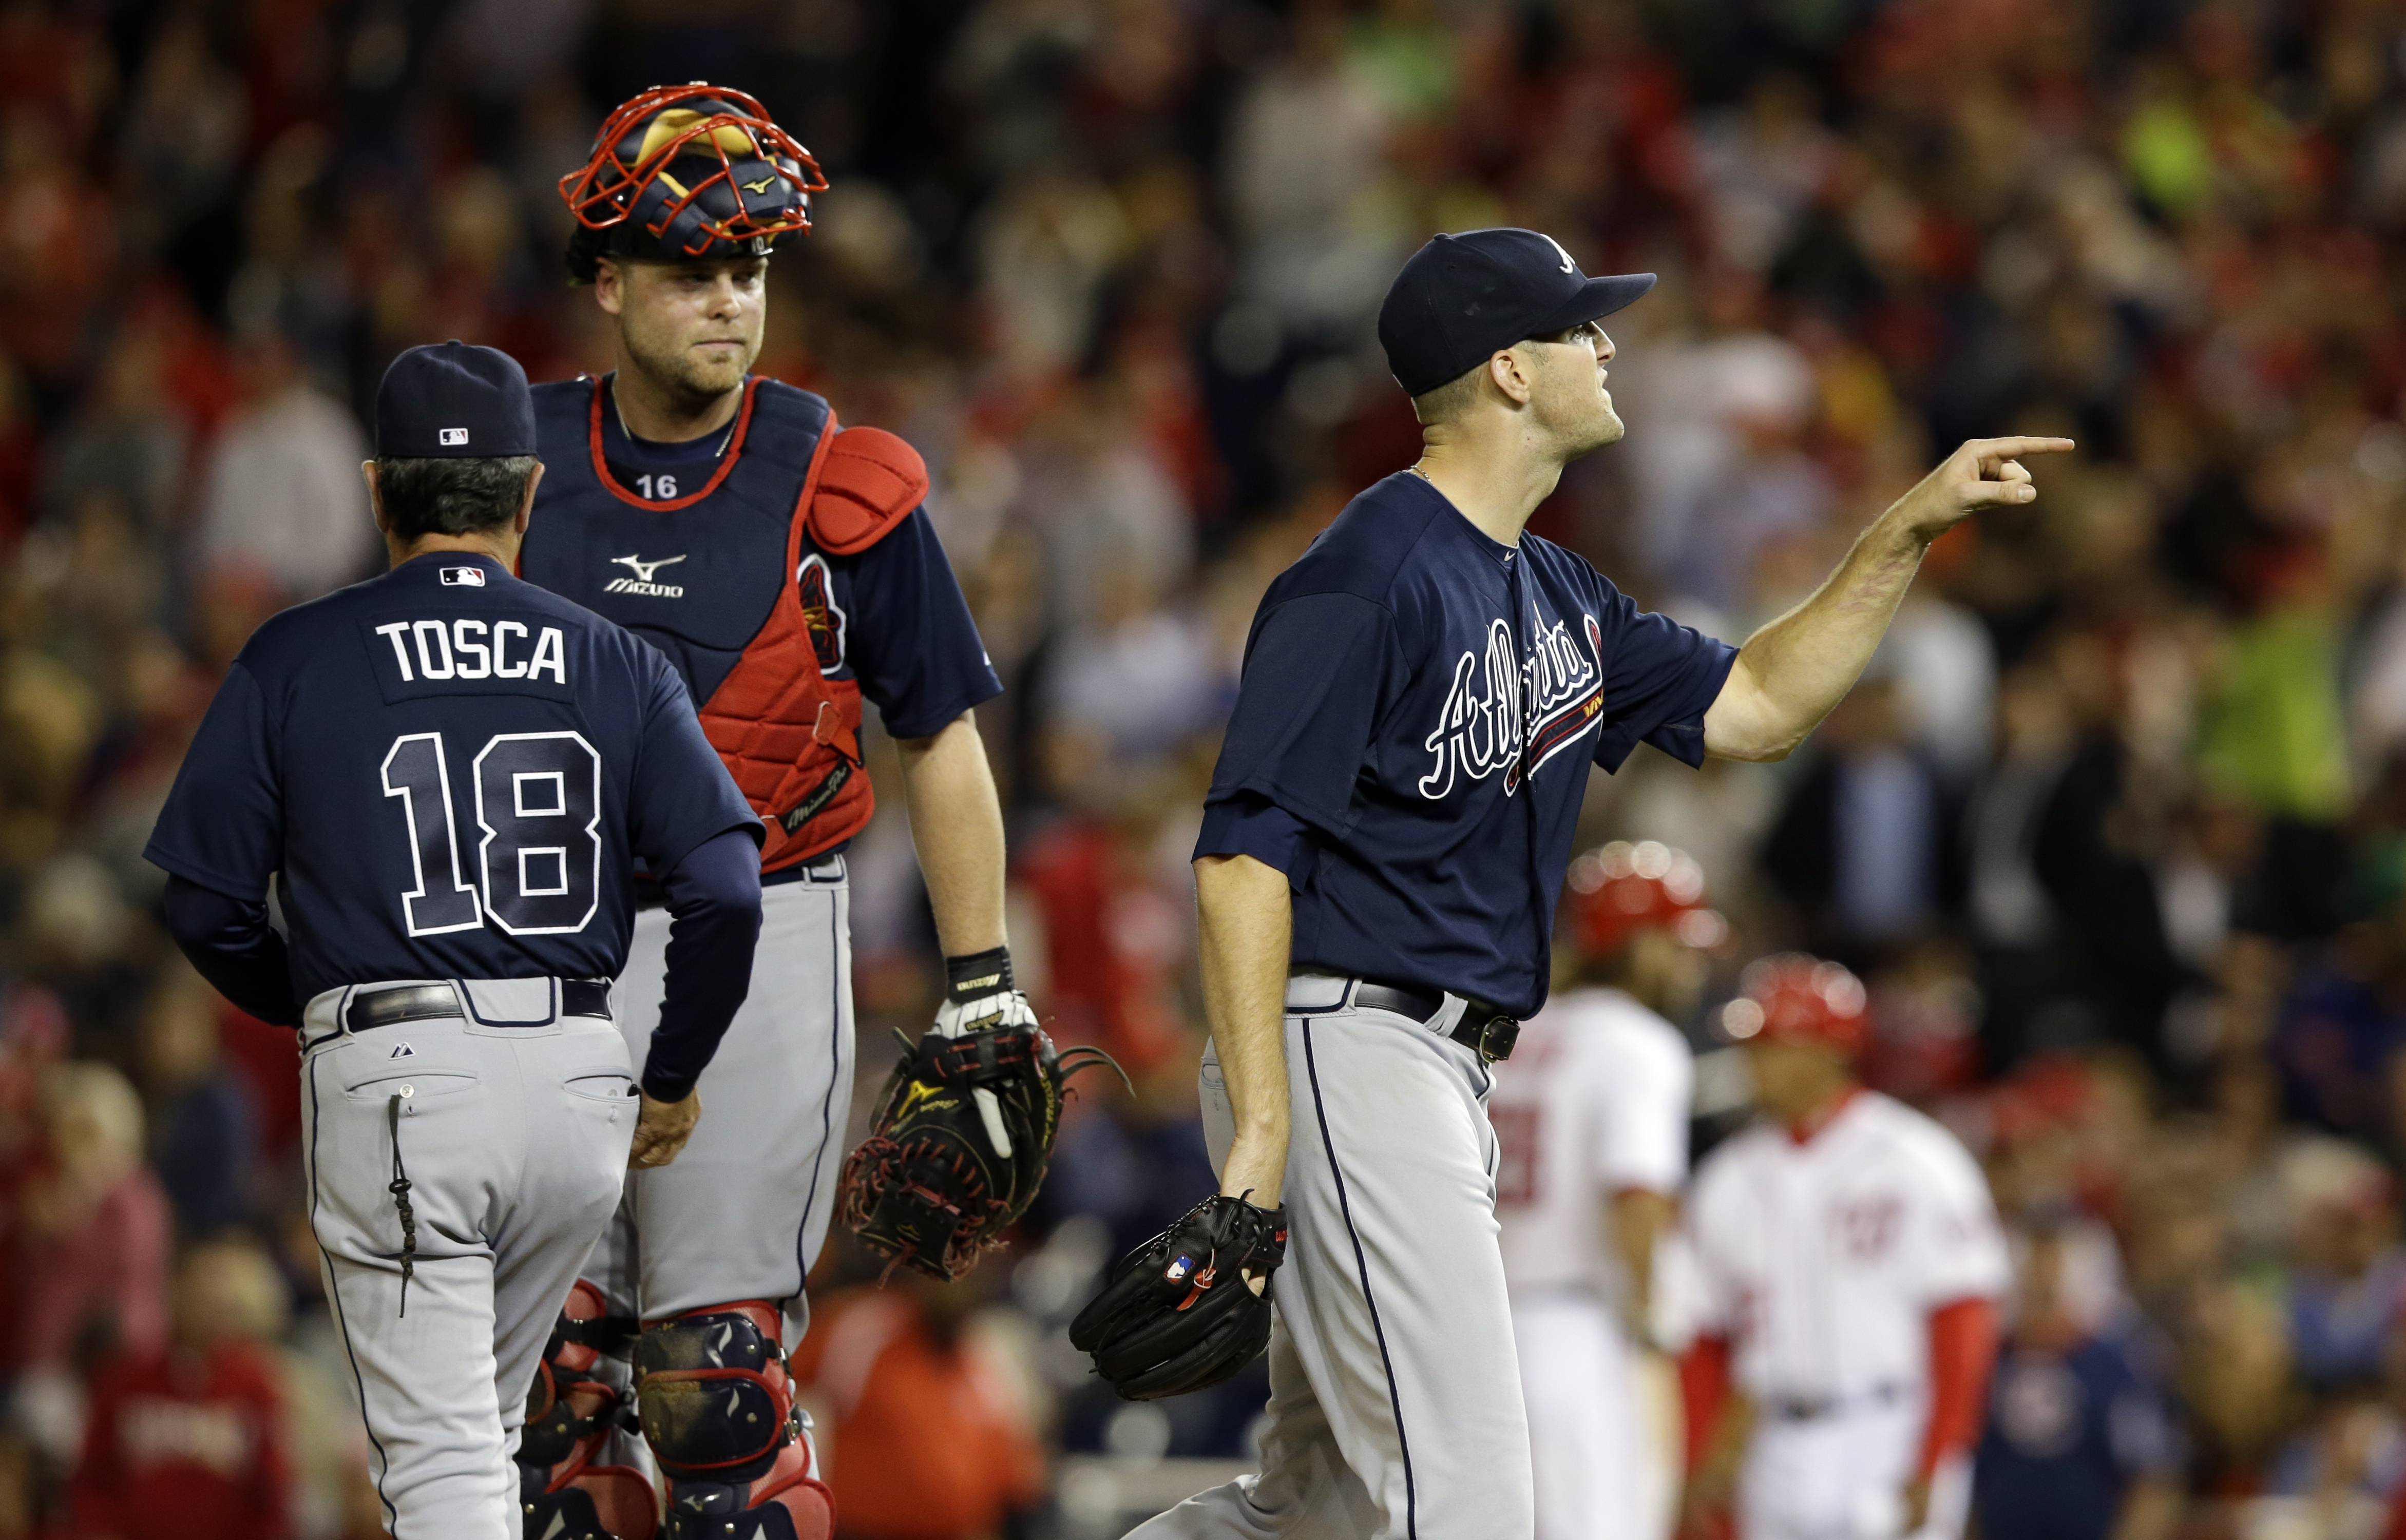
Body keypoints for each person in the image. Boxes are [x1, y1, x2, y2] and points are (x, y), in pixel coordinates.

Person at [1140, 226, 2068, 1539]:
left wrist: (1901, 533)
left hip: (1439, 1061)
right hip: (1347, 1041)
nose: (1607, 344)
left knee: (1313, 1508)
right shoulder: (1364, 573)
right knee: (1463, 1505)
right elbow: (1240, 854)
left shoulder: (1558, 589)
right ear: (1510, 371)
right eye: (1580, 328)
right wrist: (1258, 1131)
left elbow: (1752, 705)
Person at [141, 341, 766, 1538]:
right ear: (530, 494)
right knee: (473, 1439)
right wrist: (671, 1070)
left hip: (401, 1075)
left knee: (440, 1466)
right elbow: (727, 888)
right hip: (578, 1082)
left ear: (376, 491)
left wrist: (310, 1001)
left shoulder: (296, 654)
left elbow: (202, 903)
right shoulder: (618, 657)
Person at [513, 82, 1017, 1536]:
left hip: (766, 936)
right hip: (548, 942)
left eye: (749, 269)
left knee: (712, 1383)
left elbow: (942, 739)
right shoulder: (511, 466)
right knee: (553, 1398)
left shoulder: (841, 479)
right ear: (607, 281)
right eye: (689, 269)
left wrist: (981, 989)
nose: (728, 300)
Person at [1681, 956, 2010, 1540]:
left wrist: (1940, 1451)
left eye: (1773, 1046)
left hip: (1889, 1429)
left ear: (1829, 1051)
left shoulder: (1917, 1159)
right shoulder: (1726, 1178)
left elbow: (1965, 1314)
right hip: (1771, 1441)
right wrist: (1704, 1453)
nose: (1754, 1064)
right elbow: (1706, 1336)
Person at [1491, 840, 1716, 1540]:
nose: (1690, 964)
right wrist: (1648, 1317)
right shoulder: (1636, 1041)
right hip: (1577, 1325)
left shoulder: (1510, 1031)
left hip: (1481, 1327)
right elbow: (1637, 1194)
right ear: (1637, 945)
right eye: (1676, 944)